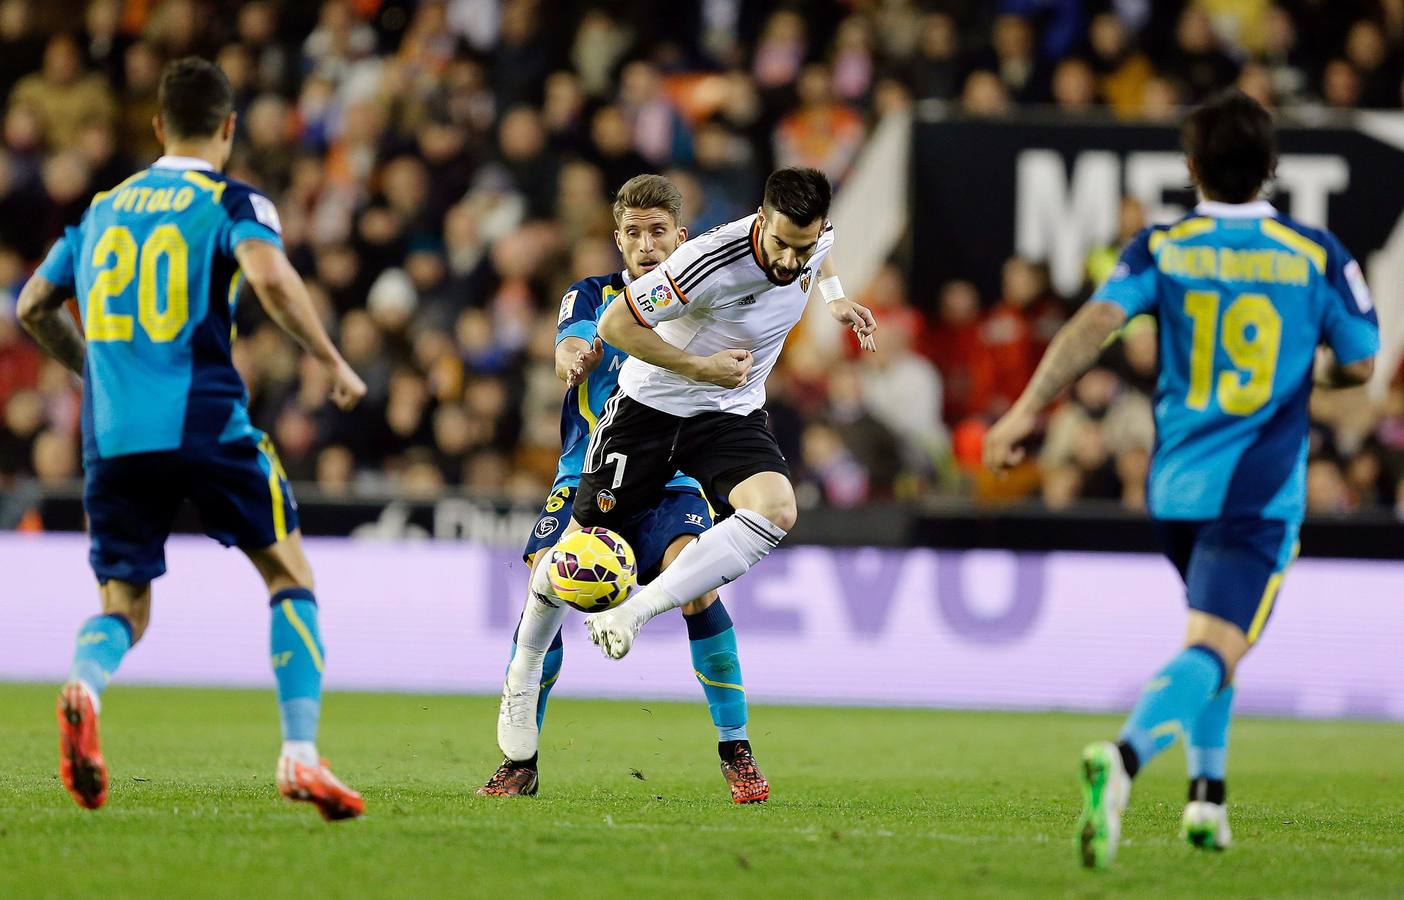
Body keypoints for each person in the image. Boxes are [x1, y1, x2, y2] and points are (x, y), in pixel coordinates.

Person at [982, 90, 1379, 869]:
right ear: (1272, 169)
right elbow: (1362, 361)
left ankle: (1208, 800)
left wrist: (1027, 409)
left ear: (1190, 168)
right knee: (1219, 644)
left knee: (1210, 636)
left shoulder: (1161, 247)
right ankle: (1123, 762)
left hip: (1175, 488)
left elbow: (1096, 323)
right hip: (1257, 491)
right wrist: (1303, 376)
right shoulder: (1316, 252)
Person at [17, 57, 369, 820]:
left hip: (111, 436)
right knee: (288, 572)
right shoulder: (230, 198)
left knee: (124, 603)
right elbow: (272, 279)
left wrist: (93, 370)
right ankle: (301, 755)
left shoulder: (102, 208)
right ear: (229, 127)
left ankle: (84, 684)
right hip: (204, 418)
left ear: (156, 126)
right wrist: (332, 361)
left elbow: (34, 305)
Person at [479, 174, 769, 803]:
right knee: (547, 581)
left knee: (697, 584)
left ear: (681, 237)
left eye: (658, 232)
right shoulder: (590, 295)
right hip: (588, 472)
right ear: (617, 239)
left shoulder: (703, 303)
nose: (646, 245)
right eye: (633, 233)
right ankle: (518, 760)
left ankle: (736, 751)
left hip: (673, 476)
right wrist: (572, 356)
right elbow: (571, 344)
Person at [523, 167, 876, 667]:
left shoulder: (811, 239)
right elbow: (611, 324)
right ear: (761, 219)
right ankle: (523, 674)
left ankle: (638, 619)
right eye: (780, 244)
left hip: (727, 413)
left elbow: (823, 251)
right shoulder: (704, 263)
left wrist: (835, 300)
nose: (790, 260)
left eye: (804, 247)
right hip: (646, 413)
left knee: (775, 510)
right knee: (566, 558)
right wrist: (700, 367)